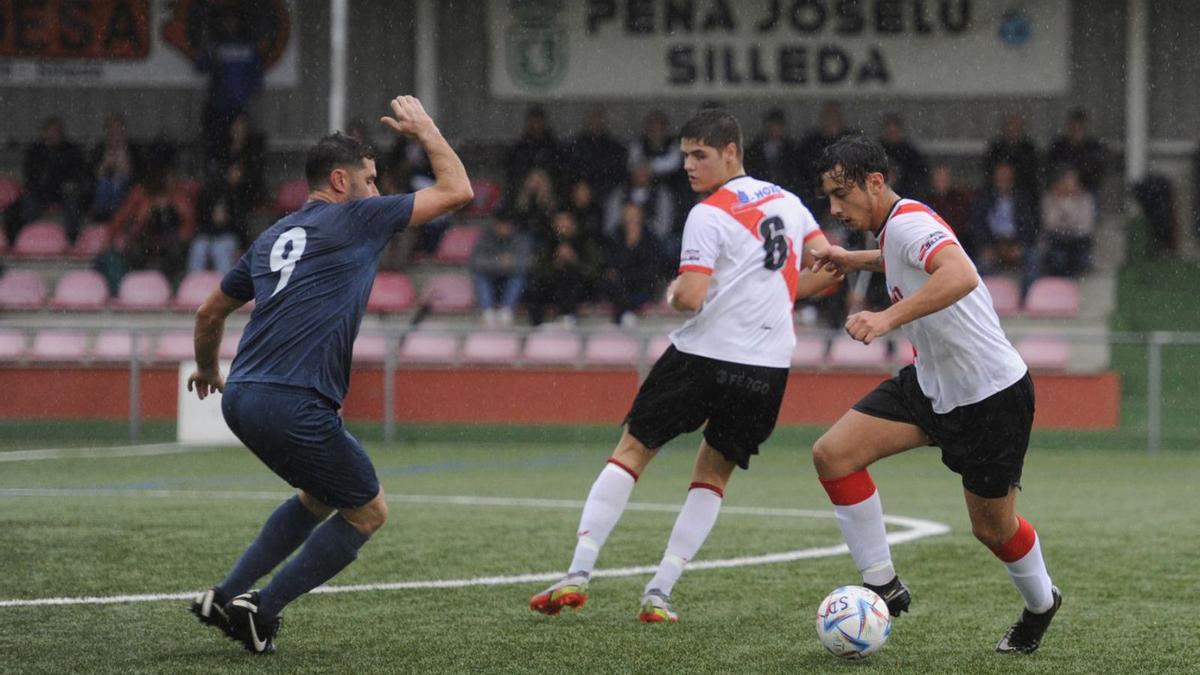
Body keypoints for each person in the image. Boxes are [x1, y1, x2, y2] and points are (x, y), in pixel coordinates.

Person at [185, 96, 472, 654]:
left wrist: (205, 369)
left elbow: (208, 312)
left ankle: (227, 596)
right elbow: (459, 189)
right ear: (341, 181)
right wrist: (428, 130)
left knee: (317, 496)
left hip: (241, 397)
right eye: (370, 178)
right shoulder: (358, 216)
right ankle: (261, 611)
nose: (378, 190)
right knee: (368, 511)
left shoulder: (272, 237)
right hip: (294, 400)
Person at [528, 109, 838, 623]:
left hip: (701, 357)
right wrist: (777, 298)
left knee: (632, 449)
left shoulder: (708, 212)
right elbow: (827, 268)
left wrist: (674, 291)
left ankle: (578, 572)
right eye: (686, 154)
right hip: (765, 369)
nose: (689, 165)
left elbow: (691, 298)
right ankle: (660, 591)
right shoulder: (788, 201)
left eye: (700, 155)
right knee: (713, 473)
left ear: (731, 152)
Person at [807, 134, 1061, 654]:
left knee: (993, 529)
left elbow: (961, 274)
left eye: (841, 195)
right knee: (833, 455)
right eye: (828, 198)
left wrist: (884, 318)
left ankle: (1041, 605)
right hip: (930, 385)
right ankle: (881, 583)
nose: (834, 208)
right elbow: (898, 259)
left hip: (991, 396)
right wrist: (852, 259)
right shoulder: (895, 228)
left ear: (875, 183)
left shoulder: (908, 223)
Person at [470, 214, 534, 327]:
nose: (505, 228)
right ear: (496, 225)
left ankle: (507, 310)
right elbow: (476, 262)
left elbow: (526, 263)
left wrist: (509, 263)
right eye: (502, 225)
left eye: (508, 225)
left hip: (510, 278)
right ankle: (487, 311)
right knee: (479, 276)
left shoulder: (520, 239)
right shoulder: (485, 239)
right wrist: (499, 261)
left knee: (519, 276)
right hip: (491, 279)